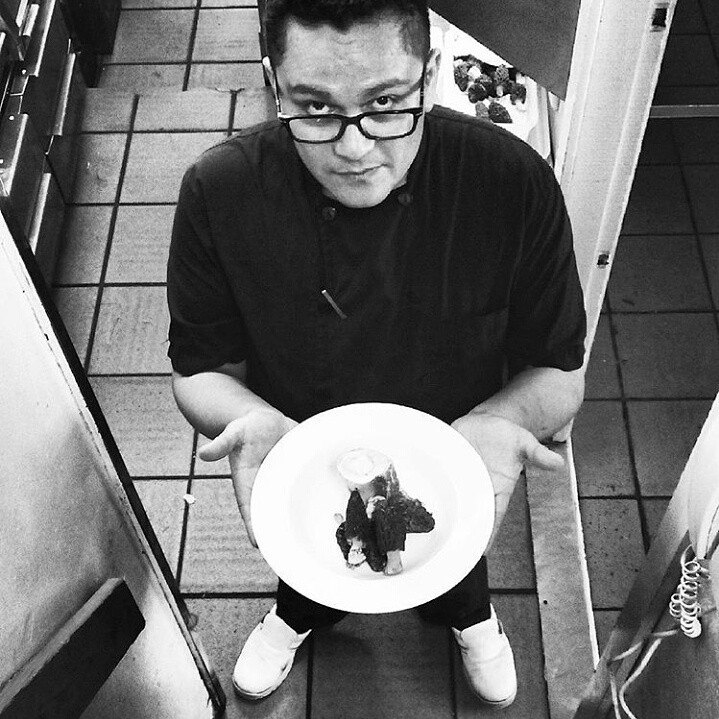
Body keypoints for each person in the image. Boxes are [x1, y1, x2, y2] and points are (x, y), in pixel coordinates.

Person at [167, 0, 586, 708]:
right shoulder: (220, 192)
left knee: (454, 557)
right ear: (274, 83)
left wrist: (500, 424)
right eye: (315, 107)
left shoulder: (509, 181)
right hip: (303, 452)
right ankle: (296, 613)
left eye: (386, 103)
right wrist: (247, 422)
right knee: (312, 562)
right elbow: (200, 369)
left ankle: (471, 616)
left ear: (430, 74)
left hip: (455, 455)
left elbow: (558, 369)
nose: (355, 147)